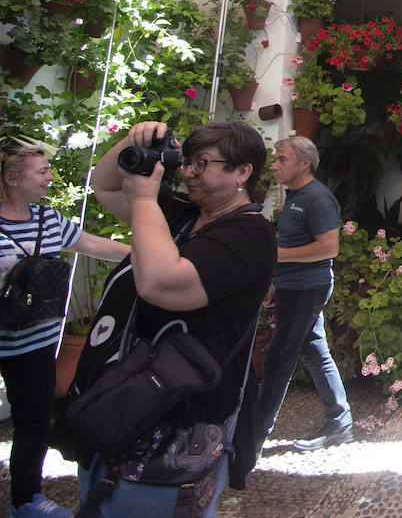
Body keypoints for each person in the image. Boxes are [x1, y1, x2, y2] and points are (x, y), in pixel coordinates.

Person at [76, 120, 275, 515]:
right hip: (130, 400)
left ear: (242, 172)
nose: (187, 173)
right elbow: (107, 186)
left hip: (183, 418)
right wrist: (133, 141)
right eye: (186, 162)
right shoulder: (186, 215)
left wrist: (147, 200)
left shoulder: (249, 235)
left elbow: (161, 284)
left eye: (202, 164)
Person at [0, 145, 129, 518]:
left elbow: (91, 244)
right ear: (12, 179)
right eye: (41, 172)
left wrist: (149, 253)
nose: (49, 178)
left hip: (35, 342)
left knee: (34, 421)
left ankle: (25, 500)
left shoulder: (48, 220)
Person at [254, 137, 352, 454]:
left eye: (282, 159)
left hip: (307, 288)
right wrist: (275, 281)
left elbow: (329, 247)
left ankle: (253, 438)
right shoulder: (296, 196)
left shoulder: (316, 198)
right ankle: (340, 422)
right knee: (313, 351)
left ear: (304, 163)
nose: (275, 165)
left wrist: (276, 257)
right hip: (293, 286)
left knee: (278, 359)